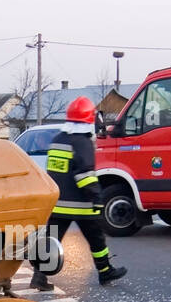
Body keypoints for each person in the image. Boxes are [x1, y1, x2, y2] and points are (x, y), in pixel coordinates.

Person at [30, 96, 127, 289]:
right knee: (96, 239)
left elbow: (55, 172)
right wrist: (97, 198)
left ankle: (39, 277)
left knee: (51, 239)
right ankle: (105, 271)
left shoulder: (57, 140)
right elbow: (85, 175)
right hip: (82, 205)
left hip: (58, 204)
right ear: (88, 120)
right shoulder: (82, 143)